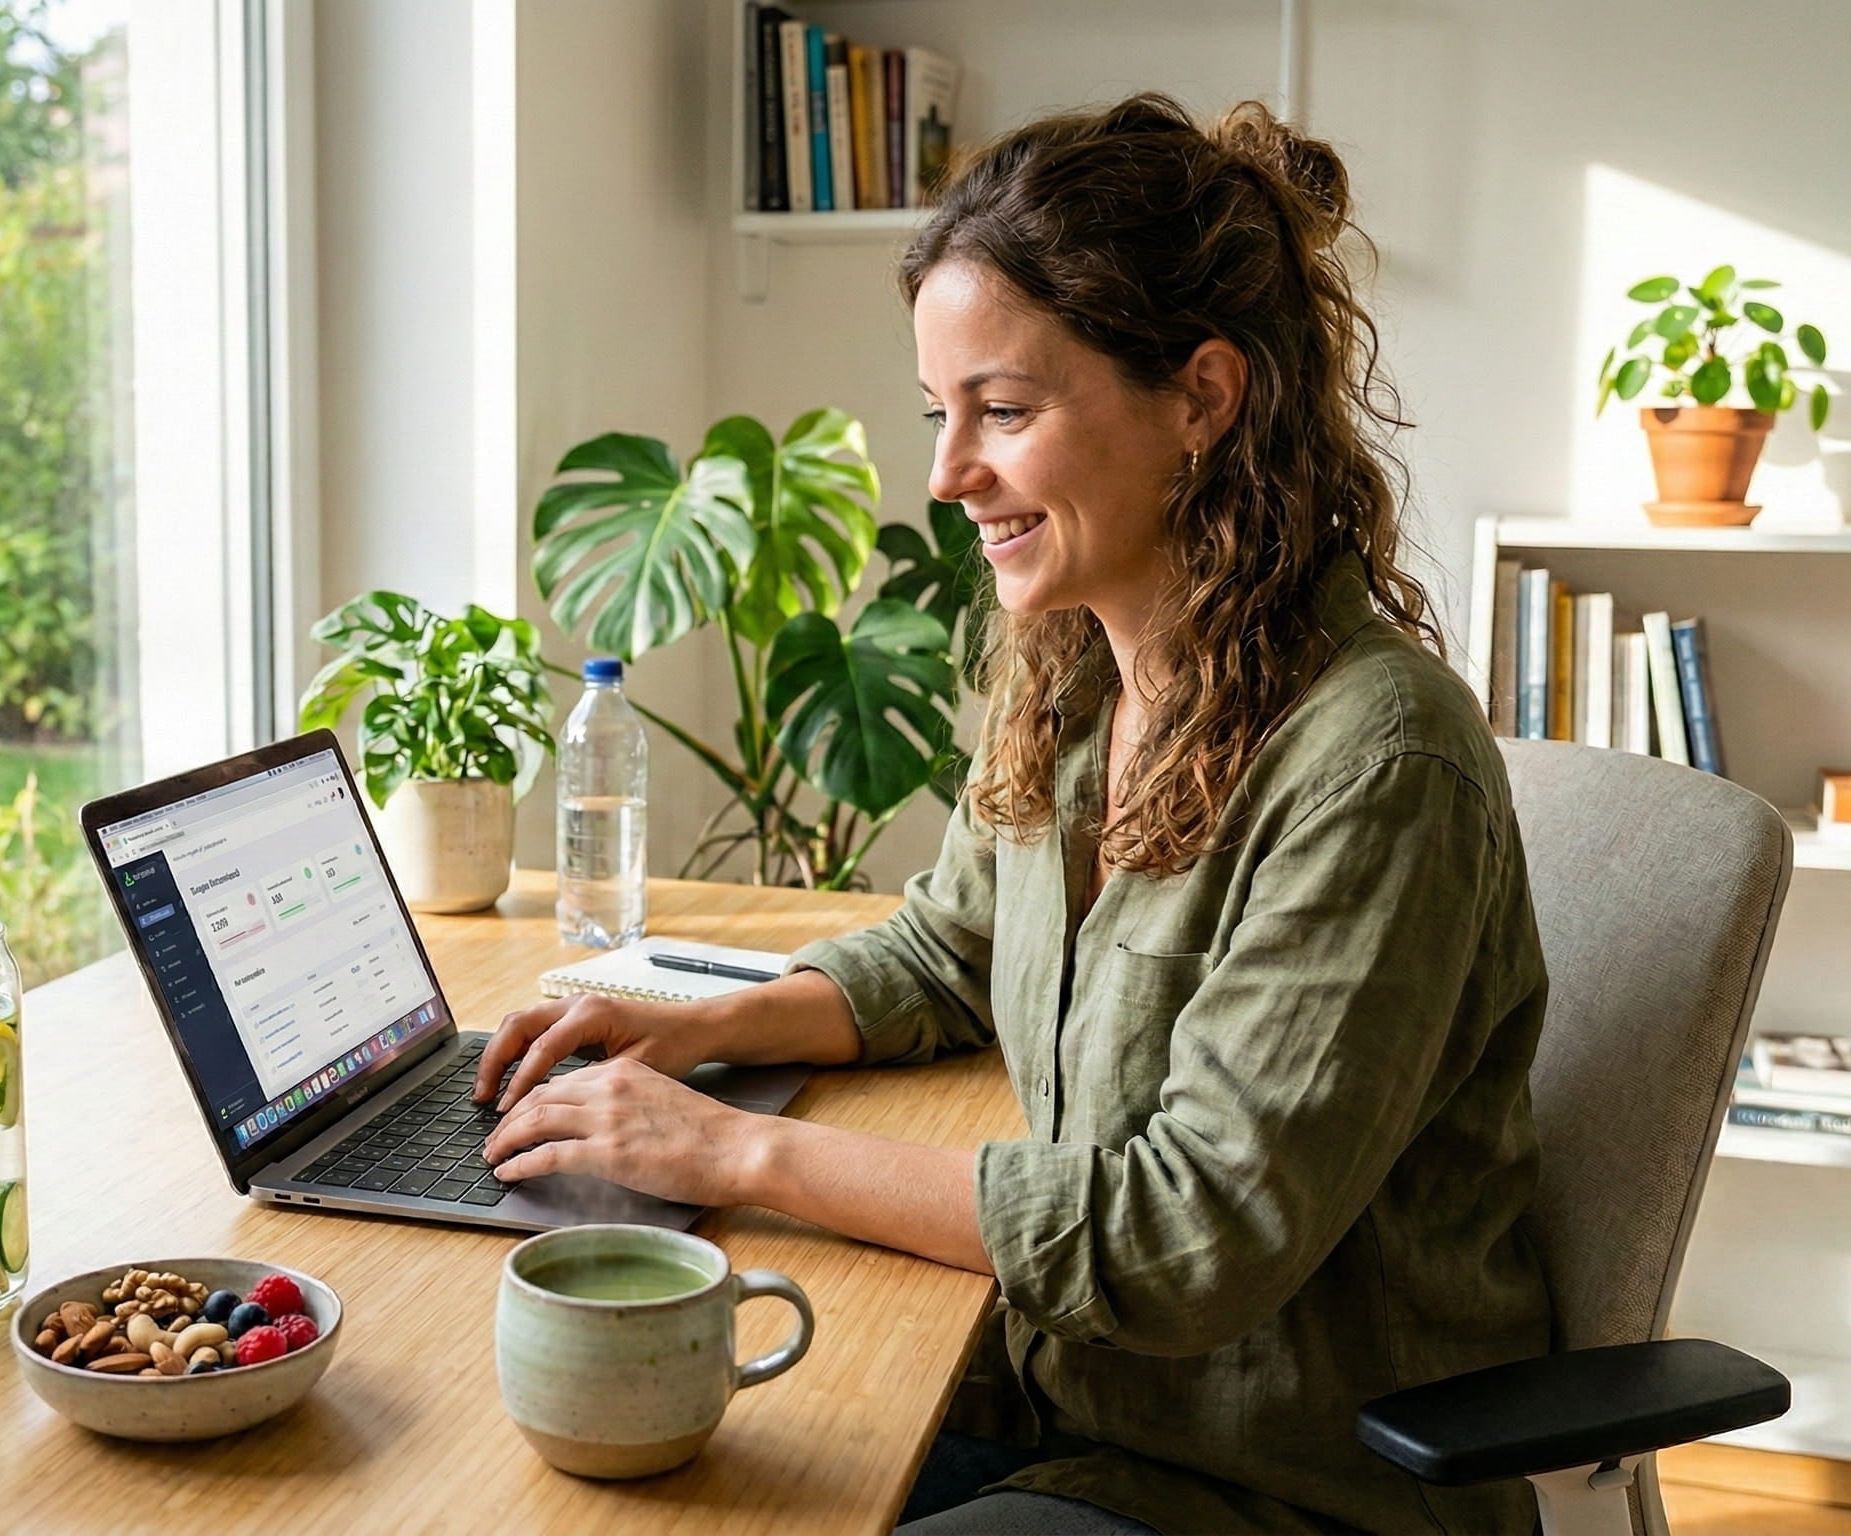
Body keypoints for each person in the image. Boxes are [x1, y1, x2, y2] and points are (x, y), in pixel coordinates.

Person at [476, 93, 1553, 1536]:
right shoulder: (1080, 674)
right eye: (942, 413)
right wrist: (704, 1025)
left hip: (1270, 1490)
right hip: (1052, 1408)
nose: (946, 474)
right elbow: (949, 949)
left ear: (1202, 399)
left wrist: (733, 1150)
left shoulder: (1378, 761)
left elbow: (1186, 1237)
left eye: (1006, 411)